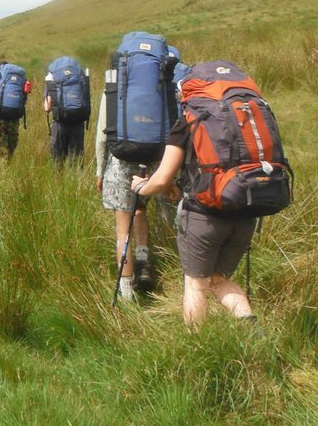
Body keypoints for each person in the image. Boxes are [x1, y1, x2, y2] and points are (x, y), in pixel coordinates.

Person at [130, 116, 258, 326]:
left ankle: (197, 347)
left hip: (204, 216)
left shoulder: (190, 119)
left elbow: (162, 179)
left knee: (196, 284)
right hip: (245, 212)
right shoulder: (242, 115)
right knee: (218, 280)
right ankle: (249, 325)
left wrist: (141, 188)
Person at [95, 90, 155, 300]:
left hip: (120, 162)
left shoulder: (112, 87)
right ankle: (144, 265)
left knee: (123, 230)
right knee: (140, 209)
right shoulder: (156, 82)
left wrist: (100, 170)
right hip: (151, 162)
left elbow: (103, 136)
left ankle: (127, 293)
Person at [0, 60, 30, 160]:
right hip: (15, 117)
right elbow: (24, 101)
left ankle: (2, 173)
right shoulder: (19, 80)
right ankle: (9, 167)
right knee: (10, 146)